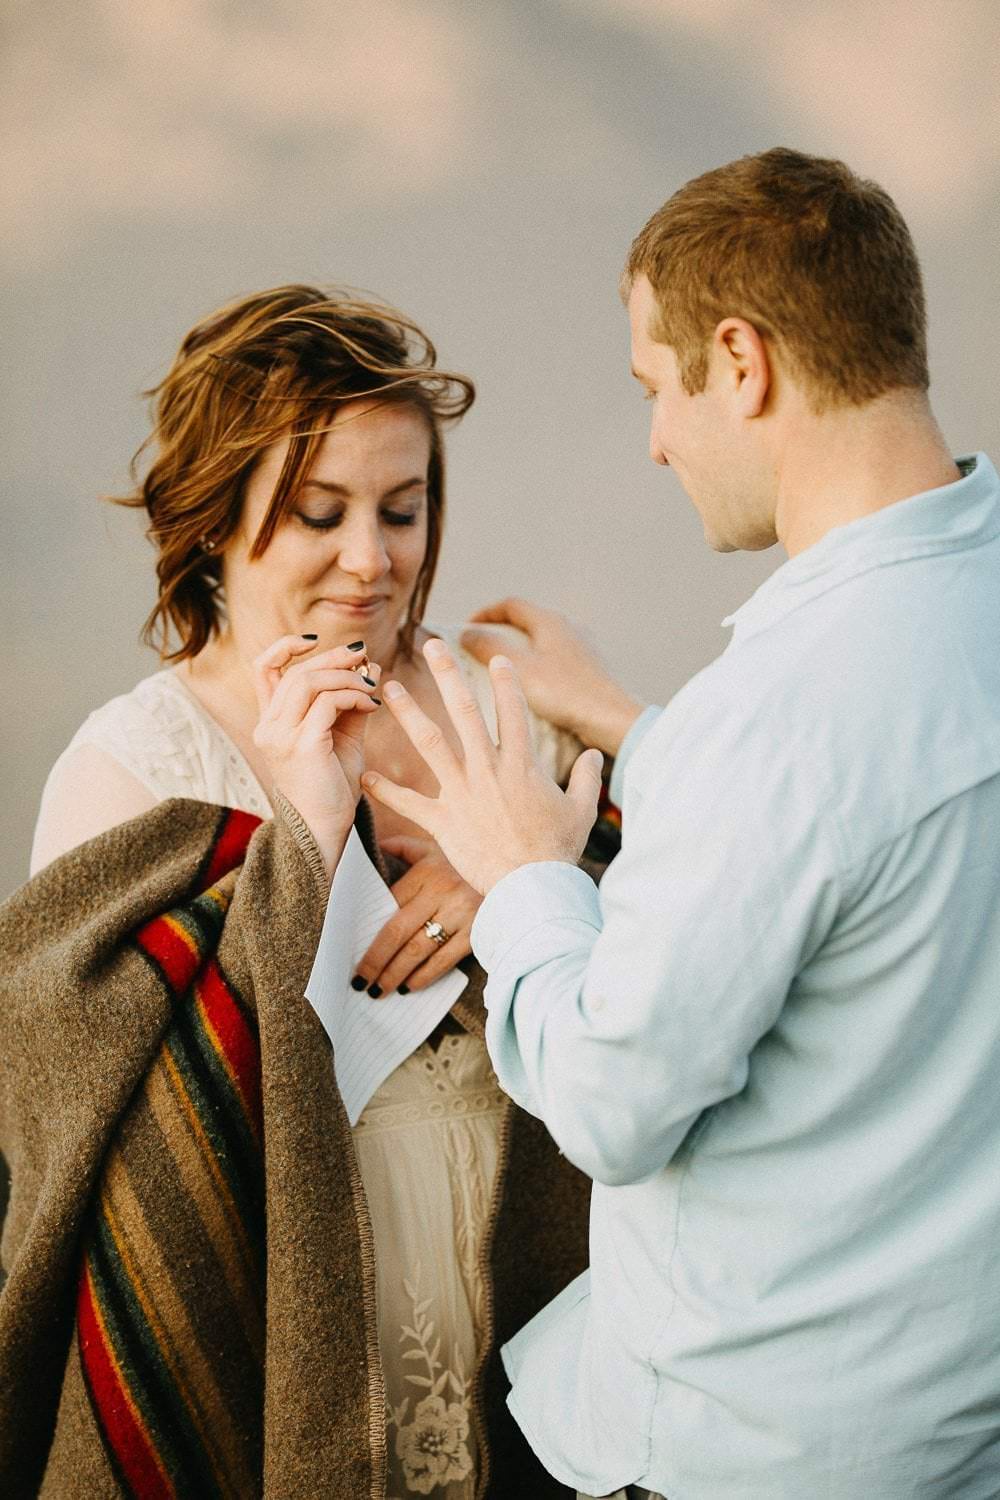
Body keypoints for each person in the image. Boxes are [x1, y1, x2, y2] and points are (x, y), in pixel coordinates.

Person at [360, 148, 1000, 1499]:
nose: (655, 438)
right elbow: (871, 834)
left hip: (741, 1454)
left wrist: (530, 874)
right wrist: (643, 732)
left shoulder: (774, 714)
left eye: (657, 390)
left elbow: (613, 1101)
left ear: (742, 360)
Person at [3, 286, 609, 1498]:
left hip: (522, 1335)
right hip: (286, 1360)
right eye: (317, 514)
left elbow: (641, 940)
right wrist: (302, 839)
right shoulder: (130, 770)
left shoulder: (491, 708)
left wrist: (530, 878)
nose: (372, 561)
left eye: (403, 508)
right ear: (212, 524)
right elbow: (70, 1111)